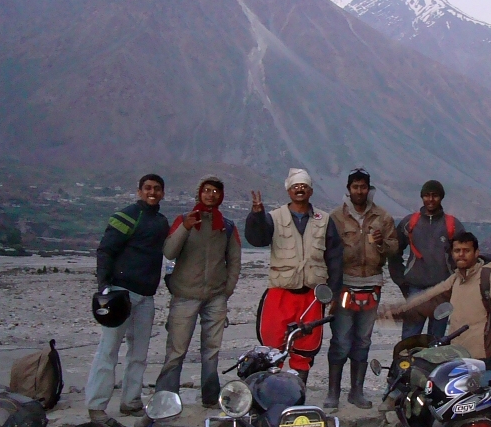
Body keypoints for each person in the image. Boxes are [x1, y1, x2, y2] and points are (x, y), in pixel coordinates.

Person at [244, 168, 343, 383]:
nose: (300, 189)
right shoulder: (273, 217)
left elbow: (335, 258)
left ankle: (299, 390)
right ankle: (272, 391)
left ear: (311, 190)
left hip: (312, 296)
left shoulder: (324, 220)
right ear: (289, 190)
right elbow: (257, 238)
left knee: (305, 348)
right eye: (295, 186)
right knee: (273, 345)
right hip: (280, 293)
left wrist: (334, 292)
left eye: (304, 186)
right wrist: (256, 215)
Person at [86, 174, 170, 421]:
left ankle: (131, 401)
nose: (152, 192)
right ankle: (96, 405)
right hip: (121, 293)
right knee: (108, 350)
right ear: (139, 191)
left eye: (156, 189)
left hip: (146, 297)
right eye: (147, 188)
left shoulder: (162, 222)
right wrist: (104, 287)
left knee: (139, 353)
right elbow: (106, 250)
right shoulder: (126, 216)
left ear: (162, 193)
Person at [153, 175, 241, 408]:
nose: (210, 195)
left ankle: (210, 398)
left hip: (215, 297)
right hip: (184, 295)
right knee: (176, 350)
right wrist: (185, 228)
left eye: (215, 191)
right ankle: (166, 398)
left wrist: (227, 291)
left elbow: (234, 261)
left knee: (211, 350)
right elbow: (169, 252)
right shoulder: (184, 220)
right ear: (199, 193)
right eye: (207, 190)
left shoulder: (227, 226)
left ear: (220, 196)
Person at [382, 231, 491, 381]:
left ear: (476, 253)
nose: (461, 254)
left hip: (486, 362)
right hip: (461, 358)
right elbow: (428, 300)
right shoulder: (456, 280)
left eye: (466, 251)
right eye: (457, 250)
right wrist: (394, 313)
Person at [326, 168, 399, 410]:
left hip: (372, 285)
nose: (359, 191)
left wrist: (381, 244)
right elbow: (327, 250)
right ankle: (333, 392)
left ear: (369, 189)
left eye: (363, 186)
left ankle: (356, 391)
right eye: (355, 186)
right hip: (345, 285)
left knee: (363, 340)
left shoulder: (383, 216)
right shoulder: (336, 217)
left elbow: (394, 247)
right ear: (348, 189)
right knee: (341, 339)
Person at [388, 180, 465, 340]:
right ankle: (406, 365)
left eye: (435, 196)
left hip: (443, 292)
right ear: (422, 197)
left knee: (436, 341)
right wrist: (402, 281)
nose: (431, 199)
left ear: (441, 198)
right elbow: (394, 252)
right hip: (415, 290)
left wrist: (457, 285)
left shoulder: (453, 225)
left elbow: (464, 256)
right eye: (427, 195)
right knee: (409, 340)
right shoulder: (409, 223)